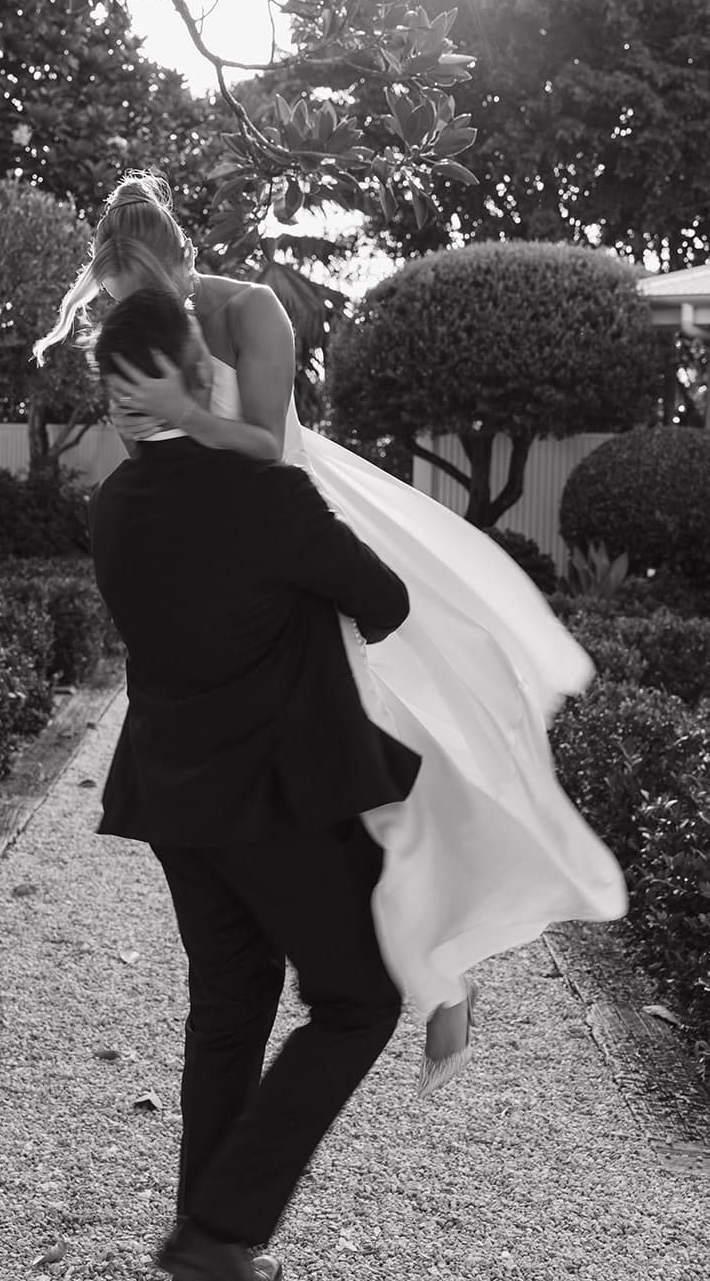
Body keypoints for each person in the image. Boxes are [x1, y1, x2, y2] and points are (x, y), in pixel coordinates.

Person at [34, 172, 628, 1096]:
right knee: (330, 786)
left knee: (404, 750)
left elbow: (266, 452)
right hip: (227, 555)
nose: (131, 319)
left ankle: (434, 967)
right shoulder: (144, 330)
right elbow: (153, 466)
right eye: (114, 303)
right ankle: (405, 968)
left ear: (183, 268)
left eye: (142, 296)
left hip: (293, 527)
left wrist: (184, 416)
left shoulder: (252, 311)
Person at [87, 285, 419, 1281]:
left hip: (176, 801)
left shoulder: (113, 505)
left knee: (229, 1005)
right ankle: (219, 1225)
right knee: (358, 1000)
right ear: (199, 374)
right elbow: (384, 600)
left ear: (116, 398)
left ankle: (209, 1247)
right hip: (274, 801)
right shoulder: (264, 493)